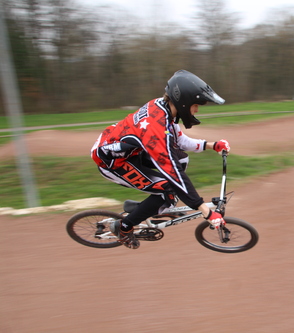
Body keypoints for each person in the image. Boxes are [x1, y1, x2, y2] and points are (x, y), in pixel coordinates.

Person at [91, 70, 230, 249]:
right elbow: (172, 171)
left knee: (180, 161)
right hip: (112, 163)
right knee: (169, 187)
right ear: (184, 102)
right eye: (196, 105)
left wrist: (212, 145)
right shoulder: (156, 129)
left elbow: (179, 141)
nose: (196, 110)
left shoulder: (163, 108)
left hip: (129, 151)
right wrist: (205, 211)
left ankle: (153, 204)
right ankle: (123, 227)